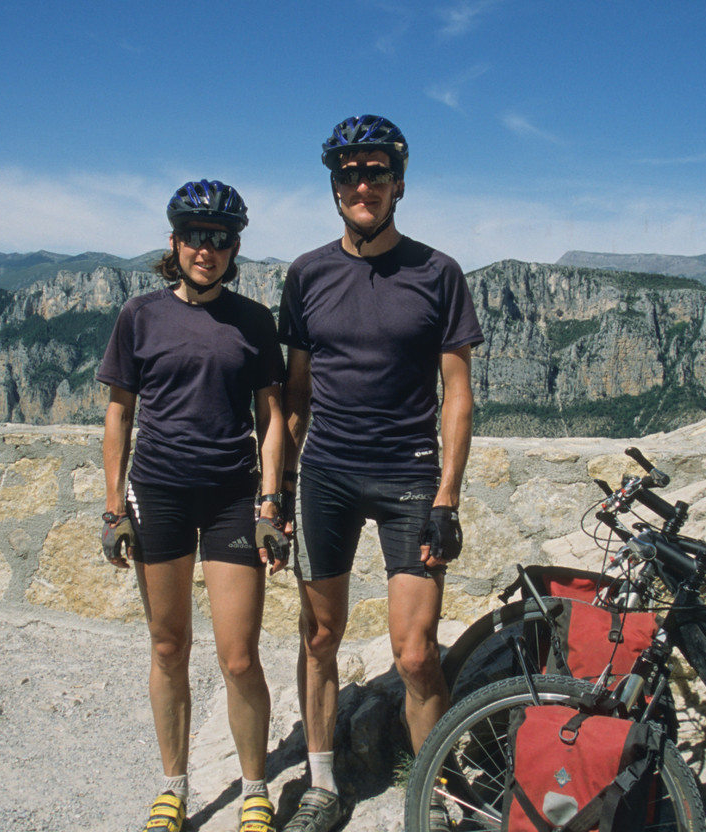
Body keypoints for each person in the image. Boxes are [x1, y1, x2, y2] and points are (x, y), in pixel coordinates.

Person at [277, 115, 483, 832]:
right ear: (334, 187)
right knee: (319, 639)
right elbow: (294, 397)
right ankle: (323, 784)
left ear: (398, 183)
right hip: (326, 475)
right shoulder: (306, 274)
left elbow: (457, 393)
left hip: (408, 478)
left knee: (416, 652)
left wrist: (447, 497)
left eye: (375, 173)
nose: (361, 186)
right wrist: (275, 492)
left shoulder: (437, 272)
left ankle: (435, 795)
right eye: (348, 174)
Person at [99, 180, 289, 832]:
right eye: (193, 236)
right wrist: (111, 507)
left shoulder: (254, 320)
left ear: (234, 247)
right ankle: (173, 788)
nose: (206, 249)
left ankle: (254, 787)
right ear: (173, 242)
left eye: (220, 239)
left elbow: (272, 417)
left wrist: (271, 504)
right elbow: (118, 416)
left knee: (239, 655)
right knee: (168, 646)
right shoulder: (140, 315)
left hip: (234, 496)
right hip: (157, 492)